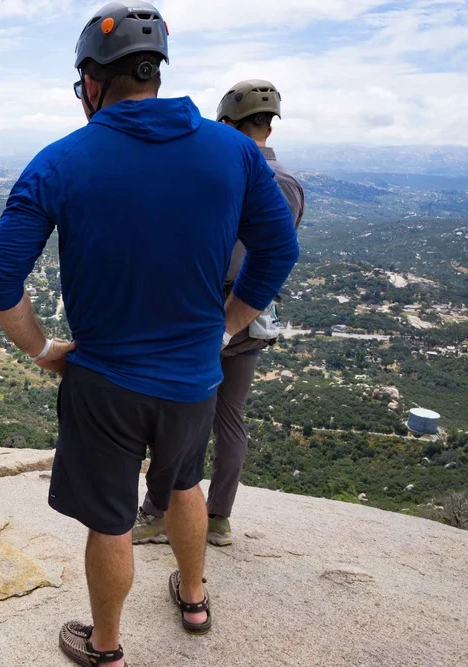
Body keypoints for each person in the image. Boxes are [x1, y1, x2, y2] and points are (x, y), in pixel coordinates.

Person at [0, 3, 299, 666]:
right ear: (155, 72)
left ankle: (106, 645)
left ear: (93, 82)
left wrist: (42, 350)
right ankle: (193, 595)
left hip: (103, 377)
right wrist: (225, 325)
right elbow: (279, 249)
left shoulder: (63, 159)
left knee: (111, 518)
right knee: (185, 485)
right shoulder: (235, 151)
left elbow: (0, 278)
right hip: (193, 375)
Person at [133, 79, 306, 548]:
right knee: (230, 418)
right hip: (250, 312)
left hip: (204, 310)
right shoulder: (288, 182)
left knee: (181, 416)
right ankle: (218, 519)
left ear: (227, 122)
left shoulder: (227, 171)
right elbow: (276, 251)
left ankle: (156, 514)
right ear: (269, 124)